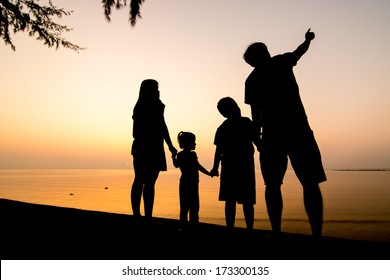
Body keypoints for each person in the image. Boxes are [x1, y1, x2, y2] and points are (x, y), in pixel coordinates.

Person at [243, 29, 327, 241]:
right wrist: (307, 40)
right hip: (297, 130)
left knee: (273, 185)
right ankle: (316, 233)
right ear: (266, 53)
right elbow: (300, 51)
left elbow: (255, 115)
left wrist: (258, 139)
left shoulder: (252, 79)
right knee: (309, 182)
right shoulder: (280, 62)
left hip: (273, 135)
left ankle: (277, 232)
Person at [210, 97, 260, 230]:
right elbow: (218, 151)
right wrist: (215, 167)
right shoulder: (244, 123)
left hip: (234, 166)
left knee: (235, 200)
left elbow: (218, 151)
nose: (237, 108)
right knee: (241, 200)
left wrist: (215, 167)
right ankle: (246, 228)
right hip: (241, 166)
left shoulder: (224, 127)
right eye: (233, 106)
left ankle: (233, 228)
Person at [131, 79, 177, 218]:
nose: (158, 91)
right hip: (145, 146)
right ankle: (138, 214)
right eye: (155, 88)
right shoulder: (141, 107)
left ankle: (147, 215)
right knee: (141, 180)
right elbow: (137, 131)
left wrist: (170, 145)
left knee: (149, 181)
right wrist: (168, 145)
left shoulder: (155, 105)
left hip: (154, 146)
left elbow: (163, 126)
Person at [173, 131, 212, 223]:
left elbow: (176, 165)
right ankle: (193, 226)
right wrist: (209, 174)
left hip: (184, 183)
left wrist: (173, 157)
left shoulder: (180, 155)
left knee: (184, 207)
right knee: (194, 207)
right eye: (193, 142)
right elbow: (198, 166)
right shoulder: (192, 155)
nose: (195, 143)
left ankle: (184, 226)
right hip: (192, 184)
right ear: (188, 143)